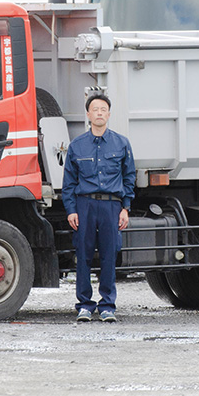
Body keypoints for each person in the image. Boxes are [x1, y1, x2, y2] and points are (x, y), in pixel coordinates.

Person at [61, 92, 136, 323]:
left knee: (108, 256)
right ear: (88, 115)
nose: (100, 113)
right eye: (95, 109)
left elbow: (129, 177)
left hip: (111, 207)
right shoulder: (77, 145)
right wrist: (71, 209)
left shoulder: (121, 143)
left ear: (109, 114)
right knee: (82, 256)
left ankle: (107, 306)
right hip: (85, 206)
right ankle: (84, 305)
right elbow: (69, 182)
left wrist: (126, 208)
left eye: (103, 109)